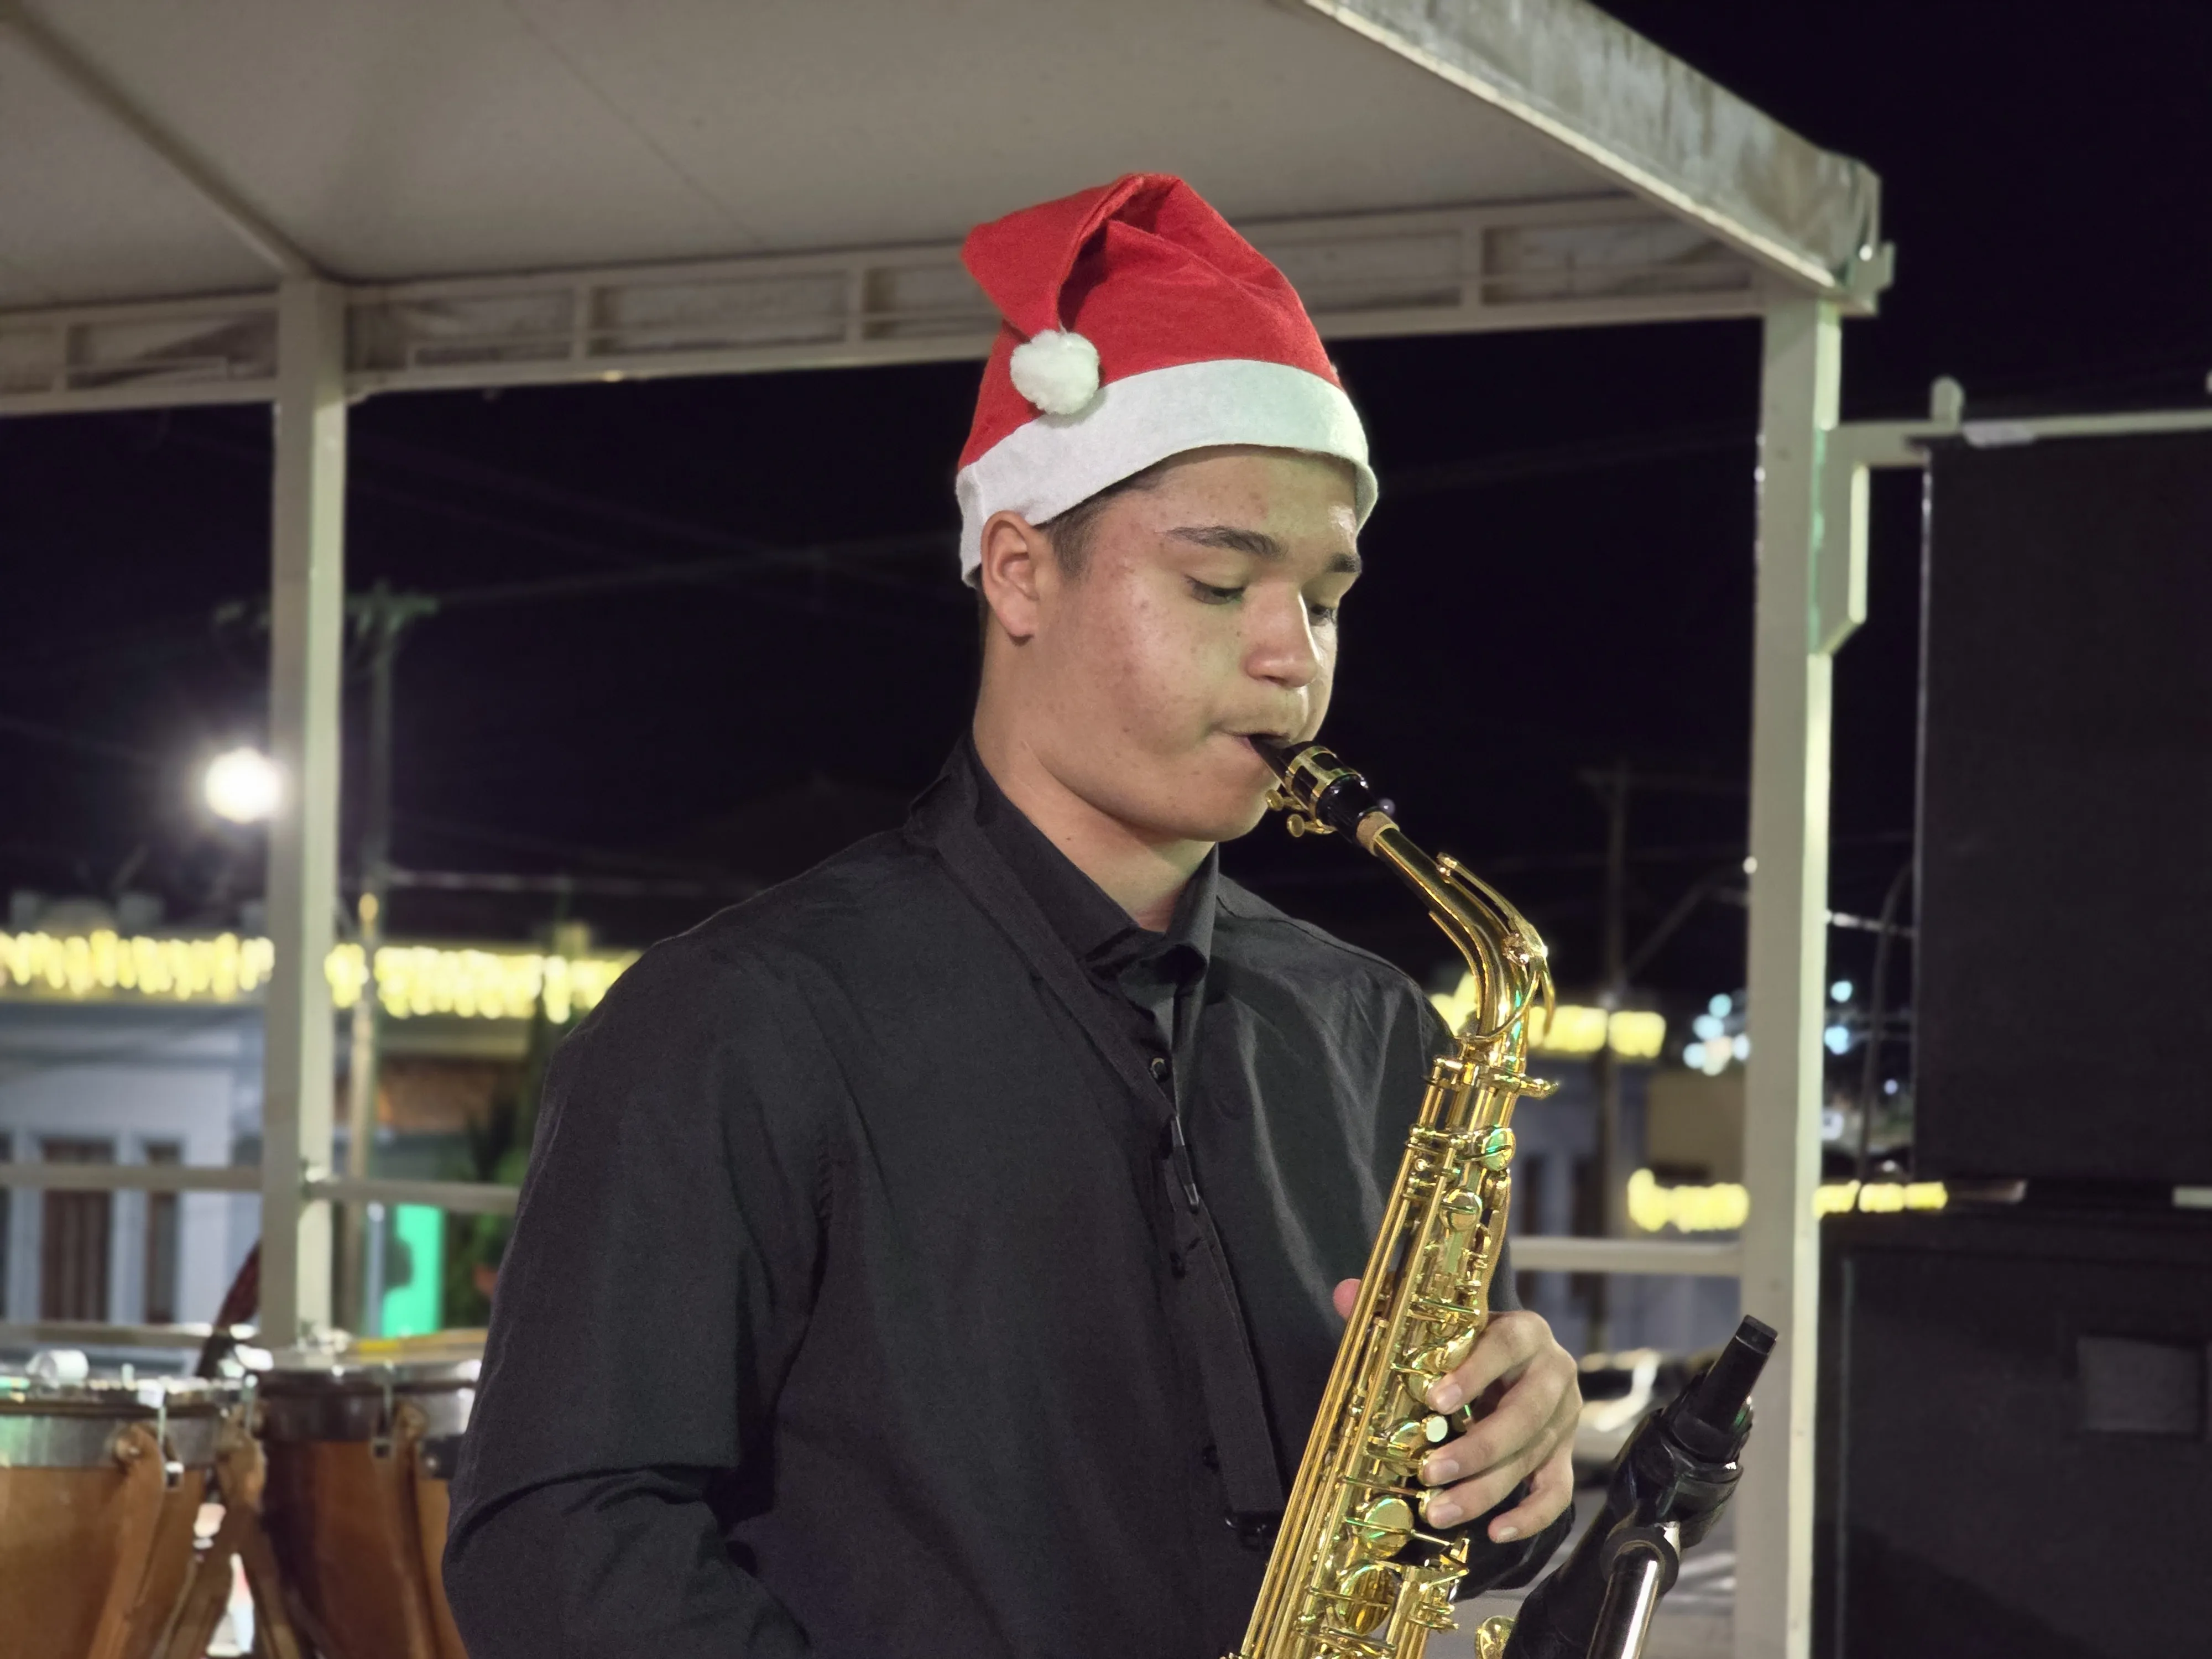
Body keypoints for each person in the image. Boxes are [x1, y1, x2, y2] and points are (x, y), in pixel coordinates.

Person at [445, 174, 1580, 1659]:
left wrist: (1511, 1471)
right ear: (1020, 570)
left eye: (1324, 597)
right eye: (1221, 581)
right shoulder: (738, 1020)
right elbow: (559, 1548)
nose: (1295, 659)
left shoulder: (1375, 1030)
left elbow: (1420, 1534)